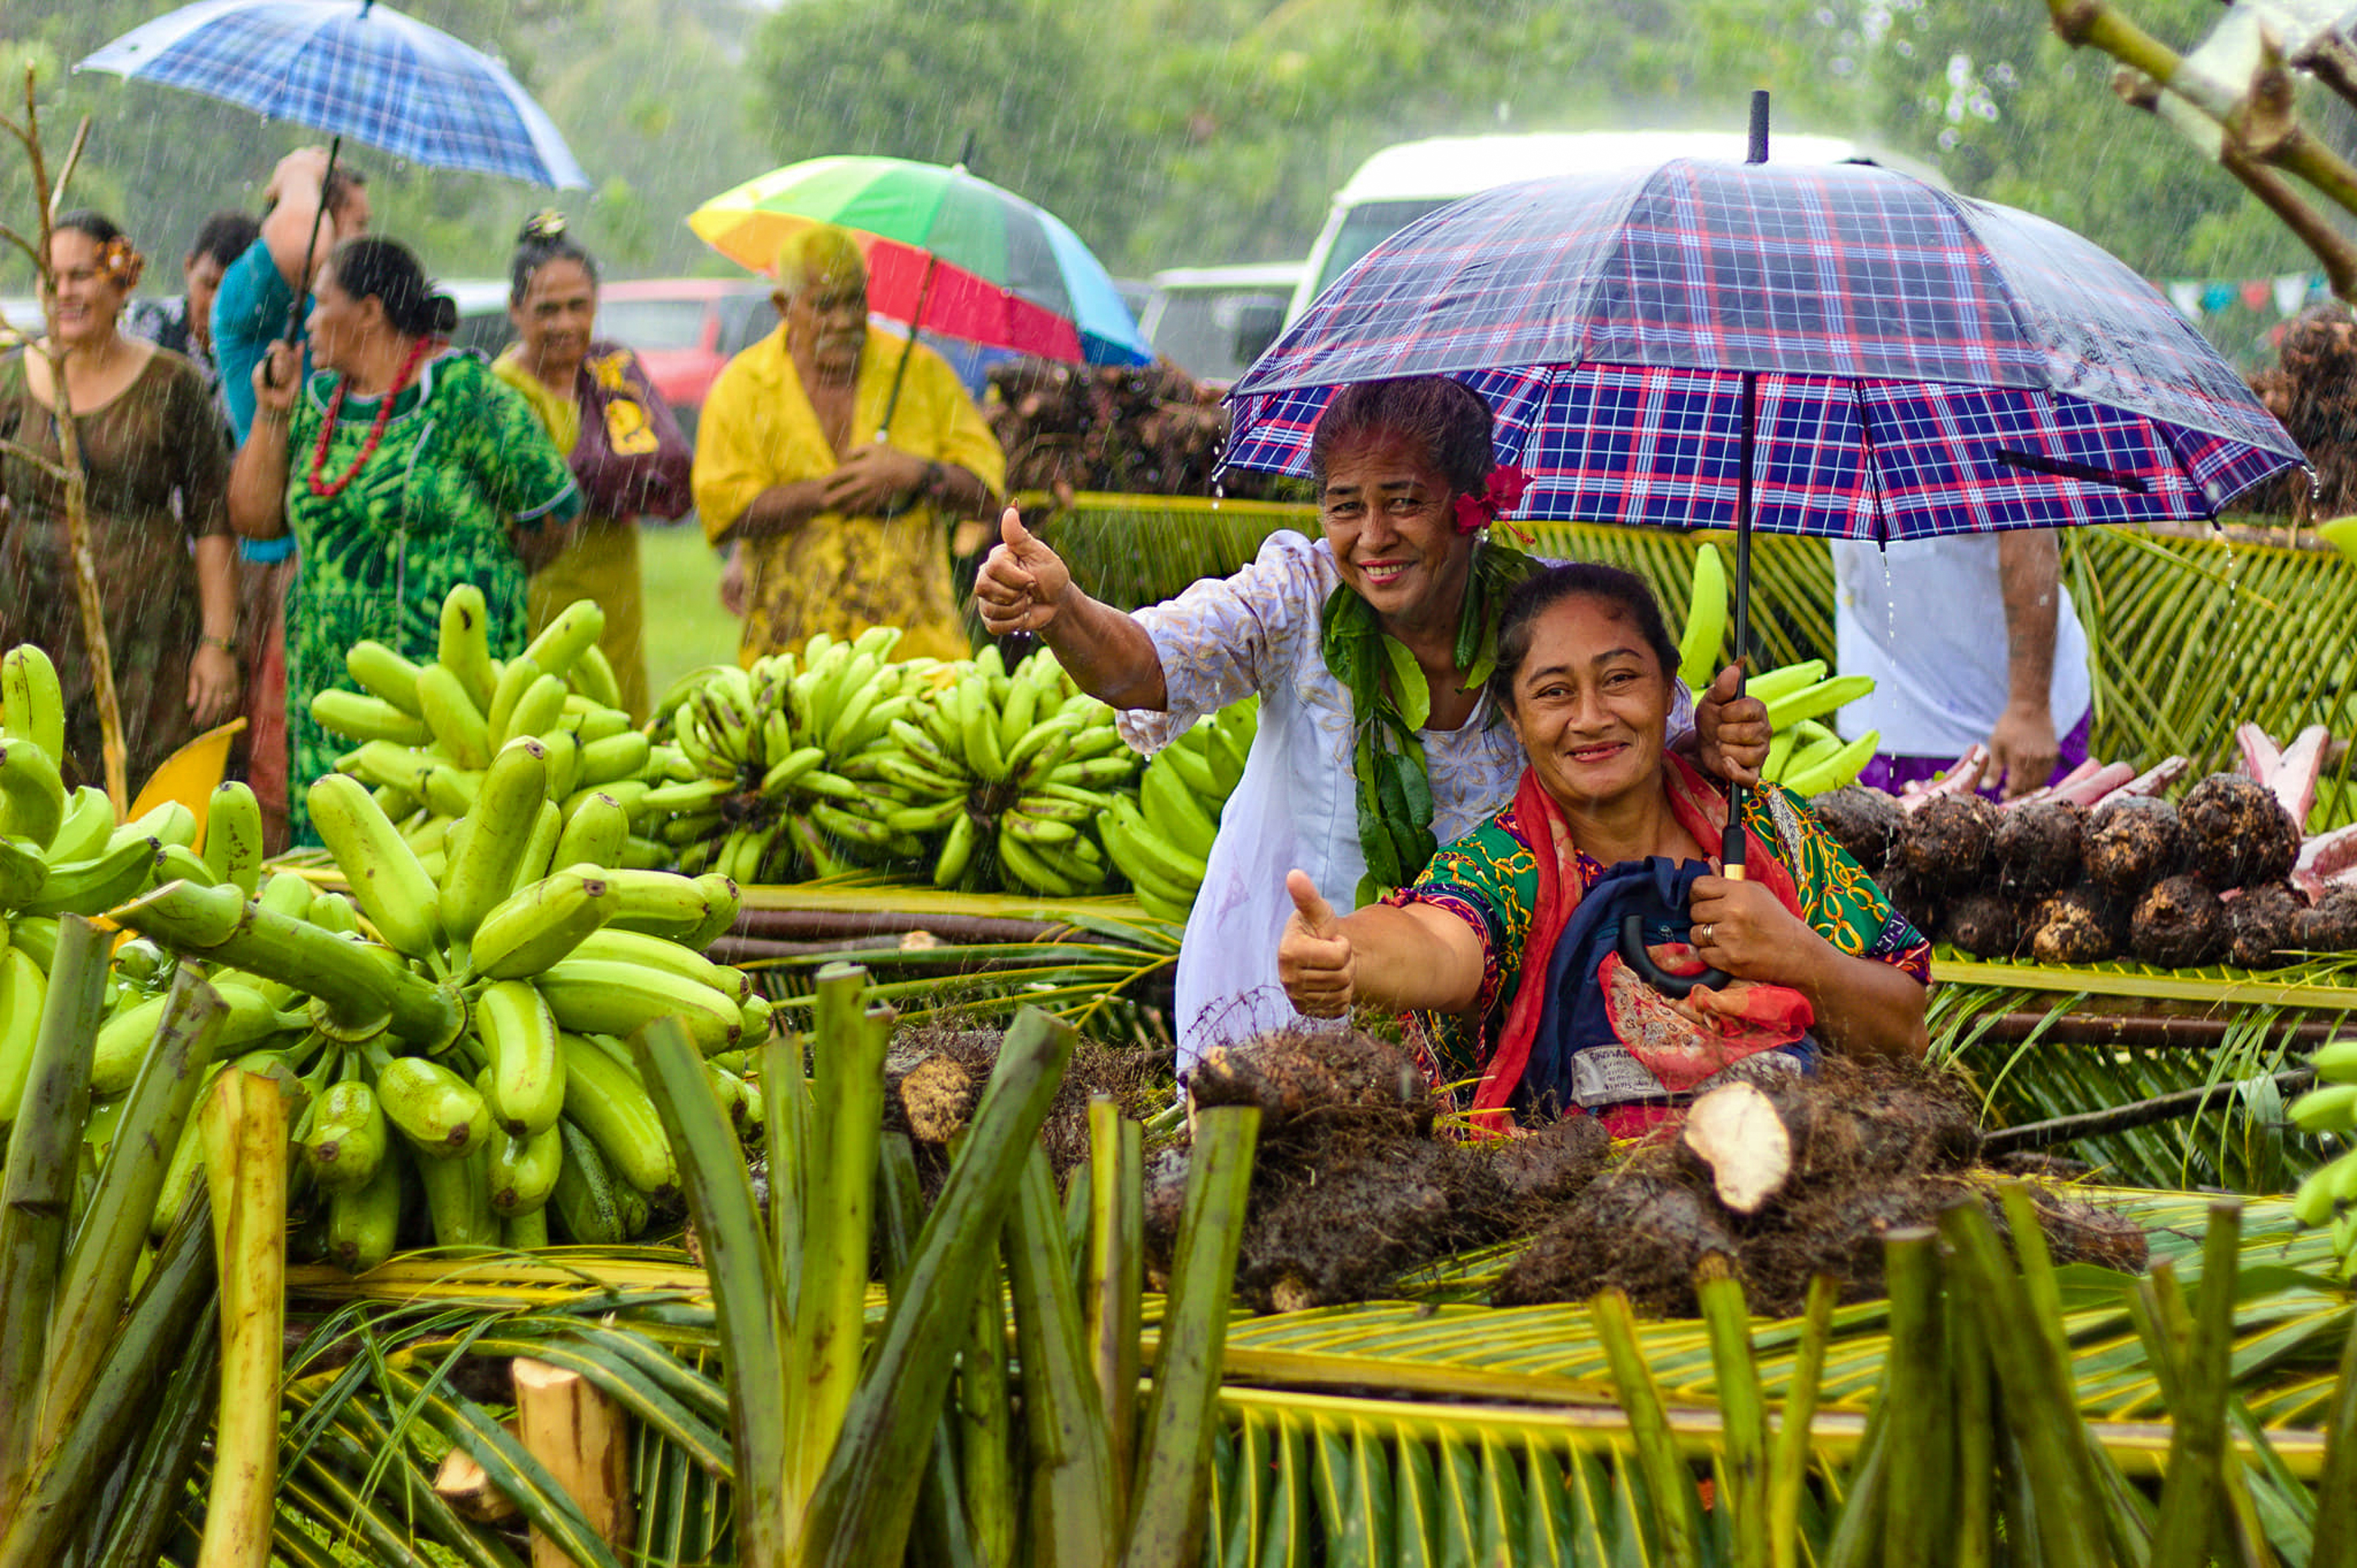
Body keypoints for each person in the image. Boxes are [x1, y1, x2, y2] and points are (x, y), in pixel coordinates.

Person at [975, 374, 1772, 1068]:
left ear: (1471, 507)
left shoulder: (1551, 617)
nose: (1372, 537)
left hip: (1493, 1002)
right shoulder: (1297, 594)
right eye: (1344, 506)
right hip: (1285, 982)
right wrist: (1063, 610)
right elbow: (1146, 666)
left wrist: (1707, 740)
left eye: (1404, 502)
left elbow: (1645, 742)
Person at [1277, 561, 1930, 1134]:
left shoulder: (1761, 828)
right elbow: (1434, 944)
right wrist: (1347, 956)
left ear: (1668, 686)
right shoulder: (1505, 868)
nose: (1590, 716)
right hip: (1591, 1237)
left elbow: (1903, 1032)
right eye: (1553, 691)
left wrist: (1794, 953)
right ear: (1513, 714)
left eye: (1619, 678)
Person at [228, 237, 581, 842]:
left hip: (443, 692)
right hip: (332, 692)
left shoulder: (462, 393)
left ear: (368, 310)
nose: (308, 320)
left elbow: (553, 514)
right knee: (340, 861)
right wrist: (271, 412)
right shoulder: (314, 406)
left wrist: (485, 575)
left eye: (321, 302)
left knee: (446, 851)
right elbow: (256, 521)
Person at [0, 211, 241, 788]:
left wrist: (217, 643)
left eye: (80, 275)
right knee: (37, 785)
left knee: (147, 798)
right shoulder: (8, 381)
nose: (64, 292)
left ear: (120, 279)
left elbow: (212, 521)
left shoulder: (171, 383)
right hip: (32, 626)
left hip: (147, 640)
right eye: (50, 276)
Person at [692, 224, 1004, 663]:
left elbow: (988, 491)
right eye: (824, 305)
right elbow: (722, 513)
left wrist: (914, 473)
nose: (843, 320)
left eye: (854, 299)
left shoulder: (921, 372)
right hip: (788, 663)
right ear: (784, 305)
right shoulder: (742, 387)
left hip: (918, 660)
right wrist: (824, 493)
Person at [211, 149, 372, 849]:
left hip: (340, 574)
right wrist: (299, 170)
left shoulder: (330, 310)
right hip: (277, 569)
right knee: (276, 774)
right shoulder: (259, 295)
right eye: (350, 227)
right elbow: (299, 249)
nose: (357, 246)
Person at [492, 212, 694, 721]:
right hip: (541, 600)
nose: (564, 324)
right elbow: (523, 504)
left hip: (617, 597)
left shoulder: (608, 374)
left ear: (597, 304)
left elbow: (657, 462)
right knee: (547, 738)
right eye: (547, 309)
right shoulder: (502, 392)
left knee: (621, 736)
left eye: (578, 306)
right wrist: (597, 475)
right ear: (516, 310)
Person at [1832, 532, 2094, 800]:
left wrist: (2029, 708)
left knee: (2026, 834)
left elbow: (2029, 528)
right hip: (1882, 704)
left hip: (2004, 712)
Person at [121, 209, 262, 413]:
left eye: (234, 291)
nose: (217, 303)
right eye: (209, 285)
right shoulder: (140, 324)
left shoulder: (263, 353)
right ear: (188, 267)